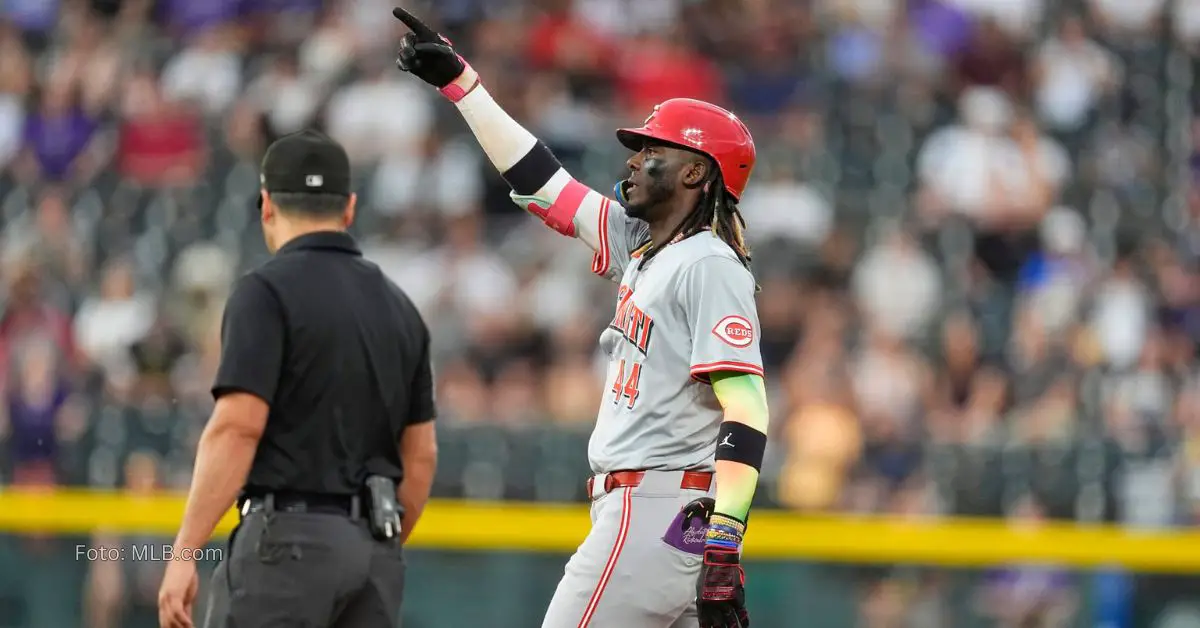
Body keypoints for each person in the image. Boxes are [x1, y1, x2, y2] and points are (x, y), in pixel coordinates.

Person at [391, 8, 770, 628]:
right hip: (656, 513)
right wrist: (462, 84)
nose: (633, 159)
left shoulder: (708, 262)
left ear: (696, 171)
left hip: (658, 508)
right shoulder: (647, 245)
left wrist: (724, 539)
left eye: (653, 150)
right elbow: (544, 184)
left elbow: (748, 408)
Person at [157, 129, 438, 628]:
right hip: (373, 550)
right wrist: (377, 544)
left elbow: (237, 427)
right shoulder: (401, 309)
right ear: (348, 208)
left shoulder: (263, 292)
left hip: (286, 544)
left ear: (266, 205)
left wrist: (184, 553)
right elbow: (421, 455)